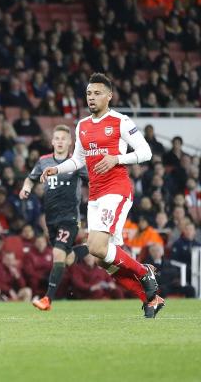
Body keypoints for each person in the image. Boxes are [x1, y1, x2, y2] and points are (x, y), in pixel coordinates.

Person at [41, 73, 161, 318]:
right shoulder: (82, 125)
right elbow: (77, 160)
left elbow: (146, 152)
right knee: (101, 259)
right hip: (95, 196)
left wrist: (117, 158)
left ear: (109, 96)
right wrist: (57, 167)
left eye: (97, 93)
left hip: (116, 190)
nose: (92, 98)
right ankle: (150, 299)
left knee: (96, 246)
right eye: (88, 94)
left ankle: (143, 271)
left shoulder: (120, 121)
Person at [20, 124, 88, 311]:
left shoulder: (77, 163)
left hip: (70, 217)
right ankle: (90, 248)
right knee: (65, 258)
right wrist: (26, 188)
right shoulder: (43, 161)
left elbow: (94, 181)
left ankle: (47, 299)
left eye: (63, 139)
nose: (59, 142)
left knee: (57, 253)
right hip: (51, 219)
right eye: (56, 138)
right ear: (52, 141)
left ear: (70, 142)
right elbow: (31, 178)